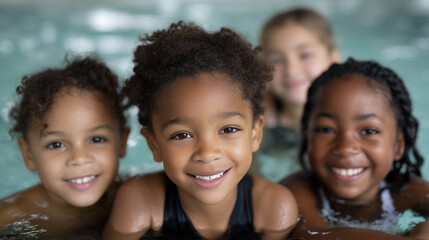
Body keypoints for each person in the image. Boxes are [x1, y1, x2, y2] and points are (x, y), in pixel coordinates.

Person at [103, 21, 298, 240]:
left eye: (228, 129)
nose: (207, 153)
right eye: (182, 135)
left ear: (255, 134)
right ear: (154, 145)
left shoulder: (274, 209)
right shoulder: (140, 201)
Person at [282, 58, 429, 239]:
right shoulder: (296, 191)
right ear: (307, 135)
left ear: (399, 143)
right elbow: (314, 235)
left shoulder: (405, 191)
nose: (345, 148)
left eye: (369, 131)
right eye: (327, 129)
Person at [0, 56, 130, 239]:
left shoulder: (137, 195)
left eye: (96, 139)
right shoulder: (10, 216)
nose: (79, 158)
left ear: (122, 142)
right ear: (28, 154)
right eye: (56, 144)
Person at [250, 8, 340, 182]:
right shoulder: (263, 112)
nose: (291, 70)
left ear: (333, 58)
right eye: (277, 60)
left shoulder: (347, 108)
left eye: (305, 55)